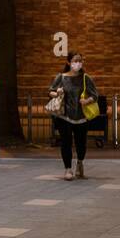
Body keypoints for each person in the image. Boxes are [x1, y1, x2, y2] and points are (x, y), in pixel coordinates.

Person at [49, 52, 99, 181]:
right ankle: (67, 169)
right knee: (66, 142)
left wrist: (87, 101)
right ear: (68, 62)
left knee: (81, 144)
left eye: (80, 61)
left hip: (81, 116)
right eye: (75, 60)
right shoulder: (61, 77)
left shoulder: (85, 78)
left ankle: (80, 162)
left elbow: (95, 95)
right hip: (64, 116)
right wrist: (57, 93)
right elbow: (50, 91)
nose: (78, 63)